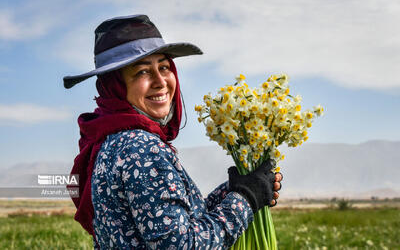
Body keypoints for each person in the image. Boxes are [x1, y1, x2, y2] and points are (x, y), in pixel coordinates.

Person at [64, 15, 283, 249]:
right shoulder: (141, 148)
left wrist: (239, 187)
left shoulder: (113, 140)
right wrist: (246, 199)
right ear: (115, 86)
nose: (160, 81)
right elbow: (183, 245)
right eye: (142, 72)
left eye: (164, 67)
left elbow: (171, 221)